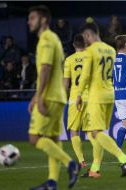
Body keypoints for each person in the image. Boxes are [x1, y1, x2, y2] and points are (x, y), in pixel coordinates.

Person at [27, 5, 79, 190]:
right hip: (58, 96)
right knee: (54, 140)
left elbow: (46, 69)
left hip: (49, 96)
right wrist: (36, 96)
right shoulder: (53, 38)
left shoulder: (47, 39)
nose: (29, 21)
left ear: (43, 20)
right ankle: (52, 182)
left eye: (32, 18)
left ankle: (70, 164)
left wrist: (39, 97)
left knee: (34, 138)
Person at [76, 23, 126, 178]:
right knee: (100, 133)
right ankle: (94, 169)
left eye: (85, 37)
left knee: (96, 133)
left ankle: (123, 159)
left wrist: (79, 95)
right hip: (110, 94)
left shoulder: (90, 51)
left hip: (96, 95)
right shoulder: (110, 50)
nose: (85, 41)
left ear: (89, 35)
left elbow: (85, 76)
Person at [63, 34, 88, 170]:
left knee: (74, 131)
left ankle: (81, 160)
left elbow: (66, 82)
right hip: (90, 97)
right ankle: (97, 159)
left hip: (74, 98)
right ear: (85, 44)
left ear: (73, 45)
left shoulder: (69, 60)